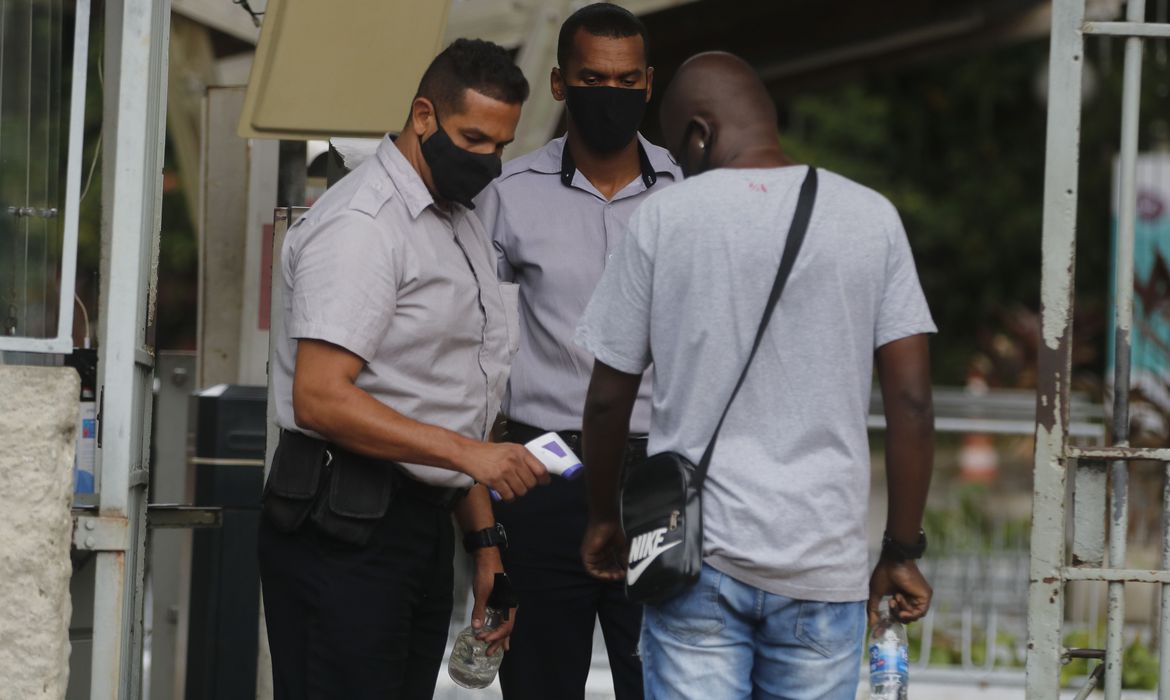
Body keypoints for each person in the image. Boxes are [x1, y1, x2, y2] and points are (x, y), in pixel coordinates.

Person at [575, 51, 936, 700]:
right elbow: (910, 401)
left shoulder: (664, 217)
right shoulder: (870, 216)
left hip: (696, 558)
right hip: (823, 563)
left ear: (699, 134)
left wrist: (605, 517)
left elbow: (606, 400)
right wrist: (901, 551)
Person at [258, 39, 550, 700]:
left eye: (500, 146)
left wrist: (486, 548)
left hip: (417, 528)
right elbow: (320, 398)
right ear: (423, 116)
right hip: (343, 534)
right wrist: (472, 456)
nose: (486, 160)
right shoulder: (365, 225)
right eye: (472, 137)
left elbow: (448, 399)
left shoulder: (457, 219)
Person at [473, 4, 680, 699]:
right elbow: (473, 340)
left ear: (650, 84)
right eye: (594, 77)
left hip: (658, 472)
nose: (611, 94)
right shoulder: (507, 195)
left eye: (627, 81)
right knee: (537, 681)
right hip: (545, 469)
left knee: (660, 680)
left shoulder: (688, 195)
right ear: (560, 84)